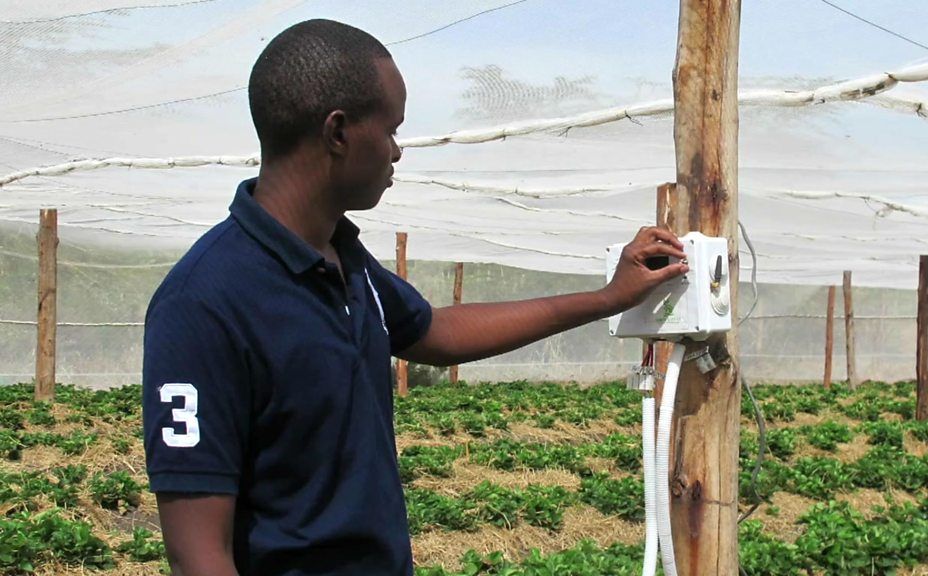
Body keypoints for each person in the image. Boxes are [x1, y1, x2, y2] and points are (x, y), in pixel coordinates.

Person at [142, 18, 688, 576]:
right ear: (338, 133)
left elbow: (438, 332)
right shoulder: (203, 303)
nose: (398, 151)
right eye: (392, 129)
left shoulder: (344, 262)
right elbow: (198, 555)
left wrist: (608, 298)